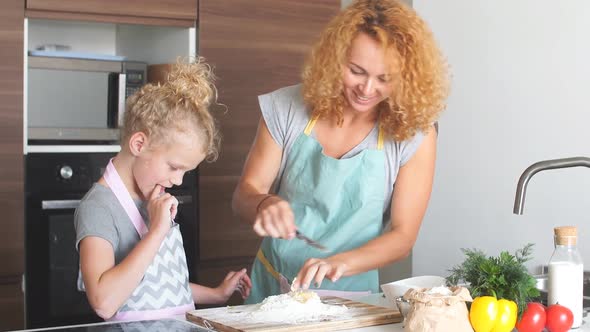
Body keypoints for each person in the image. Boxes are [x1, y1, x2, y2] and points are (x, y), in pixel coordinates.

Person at [232, 0, 449, 304]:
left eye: (385, 79)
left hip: (351, 298)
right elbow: (244, 195)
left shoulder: (415, 134)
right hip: (272, 288)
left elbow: (402, 236)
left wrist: (340, 263)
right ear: (335, 59)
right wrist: (263, 203)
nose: (367, 88)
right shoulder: (287, 107)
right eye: (356, 71)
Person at [74, 59, 252, 321]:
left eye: (185, 172)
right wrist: (157, 231)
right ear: (138, 143)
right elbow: (104, 302)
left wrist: (216, 294)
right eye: (173, 167)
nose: (178, 181)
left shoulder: (150, 199)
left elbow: (153, 284)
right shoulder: (99, 208)